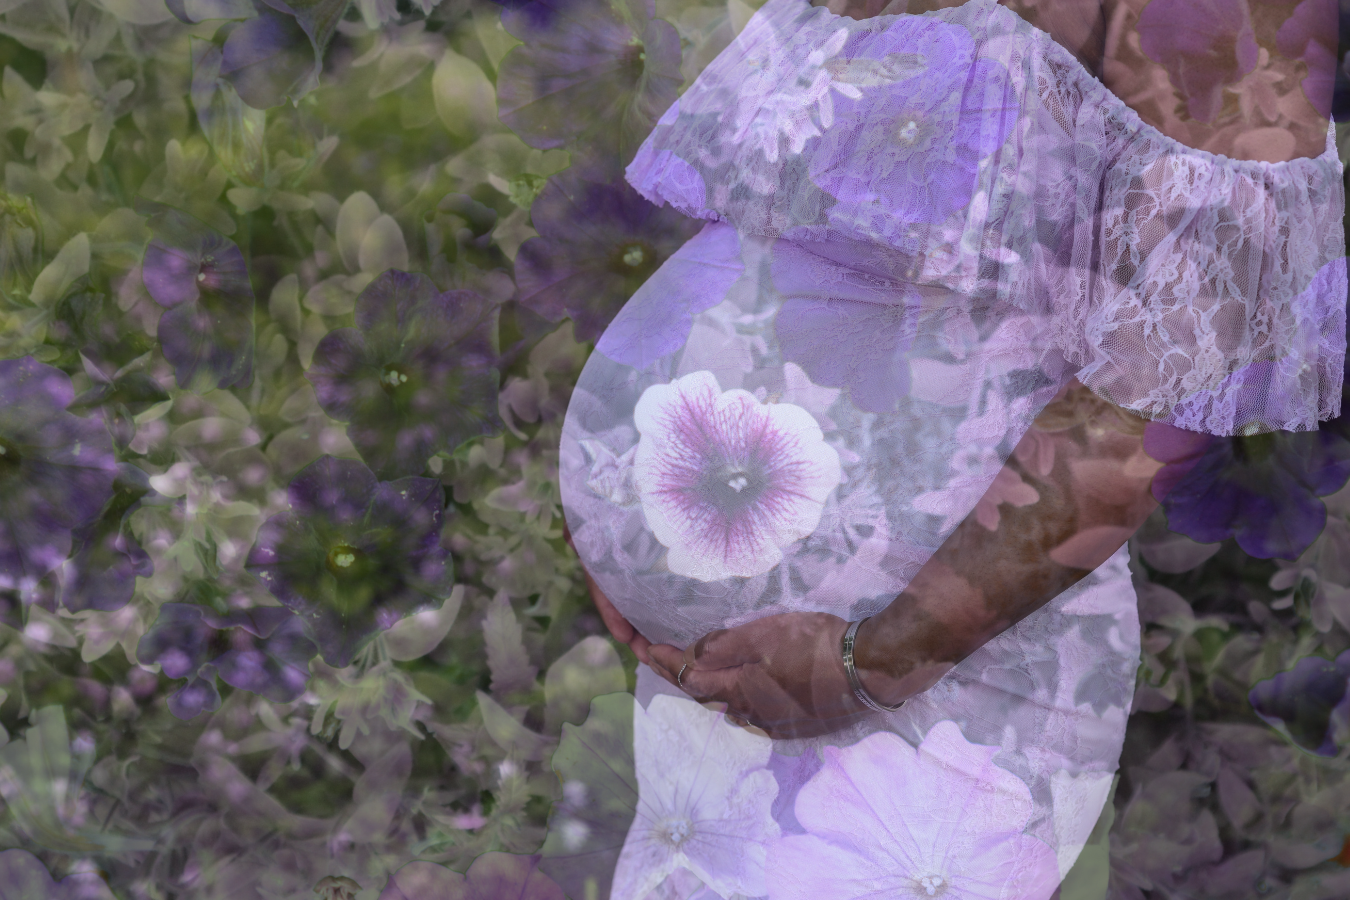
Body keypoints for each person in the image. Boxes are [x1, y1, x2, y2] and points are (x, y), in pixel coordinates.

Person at [558, 0, 1346, 897]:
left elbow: (1146, 405)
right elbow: (769, 229)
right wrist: (634, 503)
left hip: (929, 678)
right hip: (730, 675)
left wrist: (874, 662)